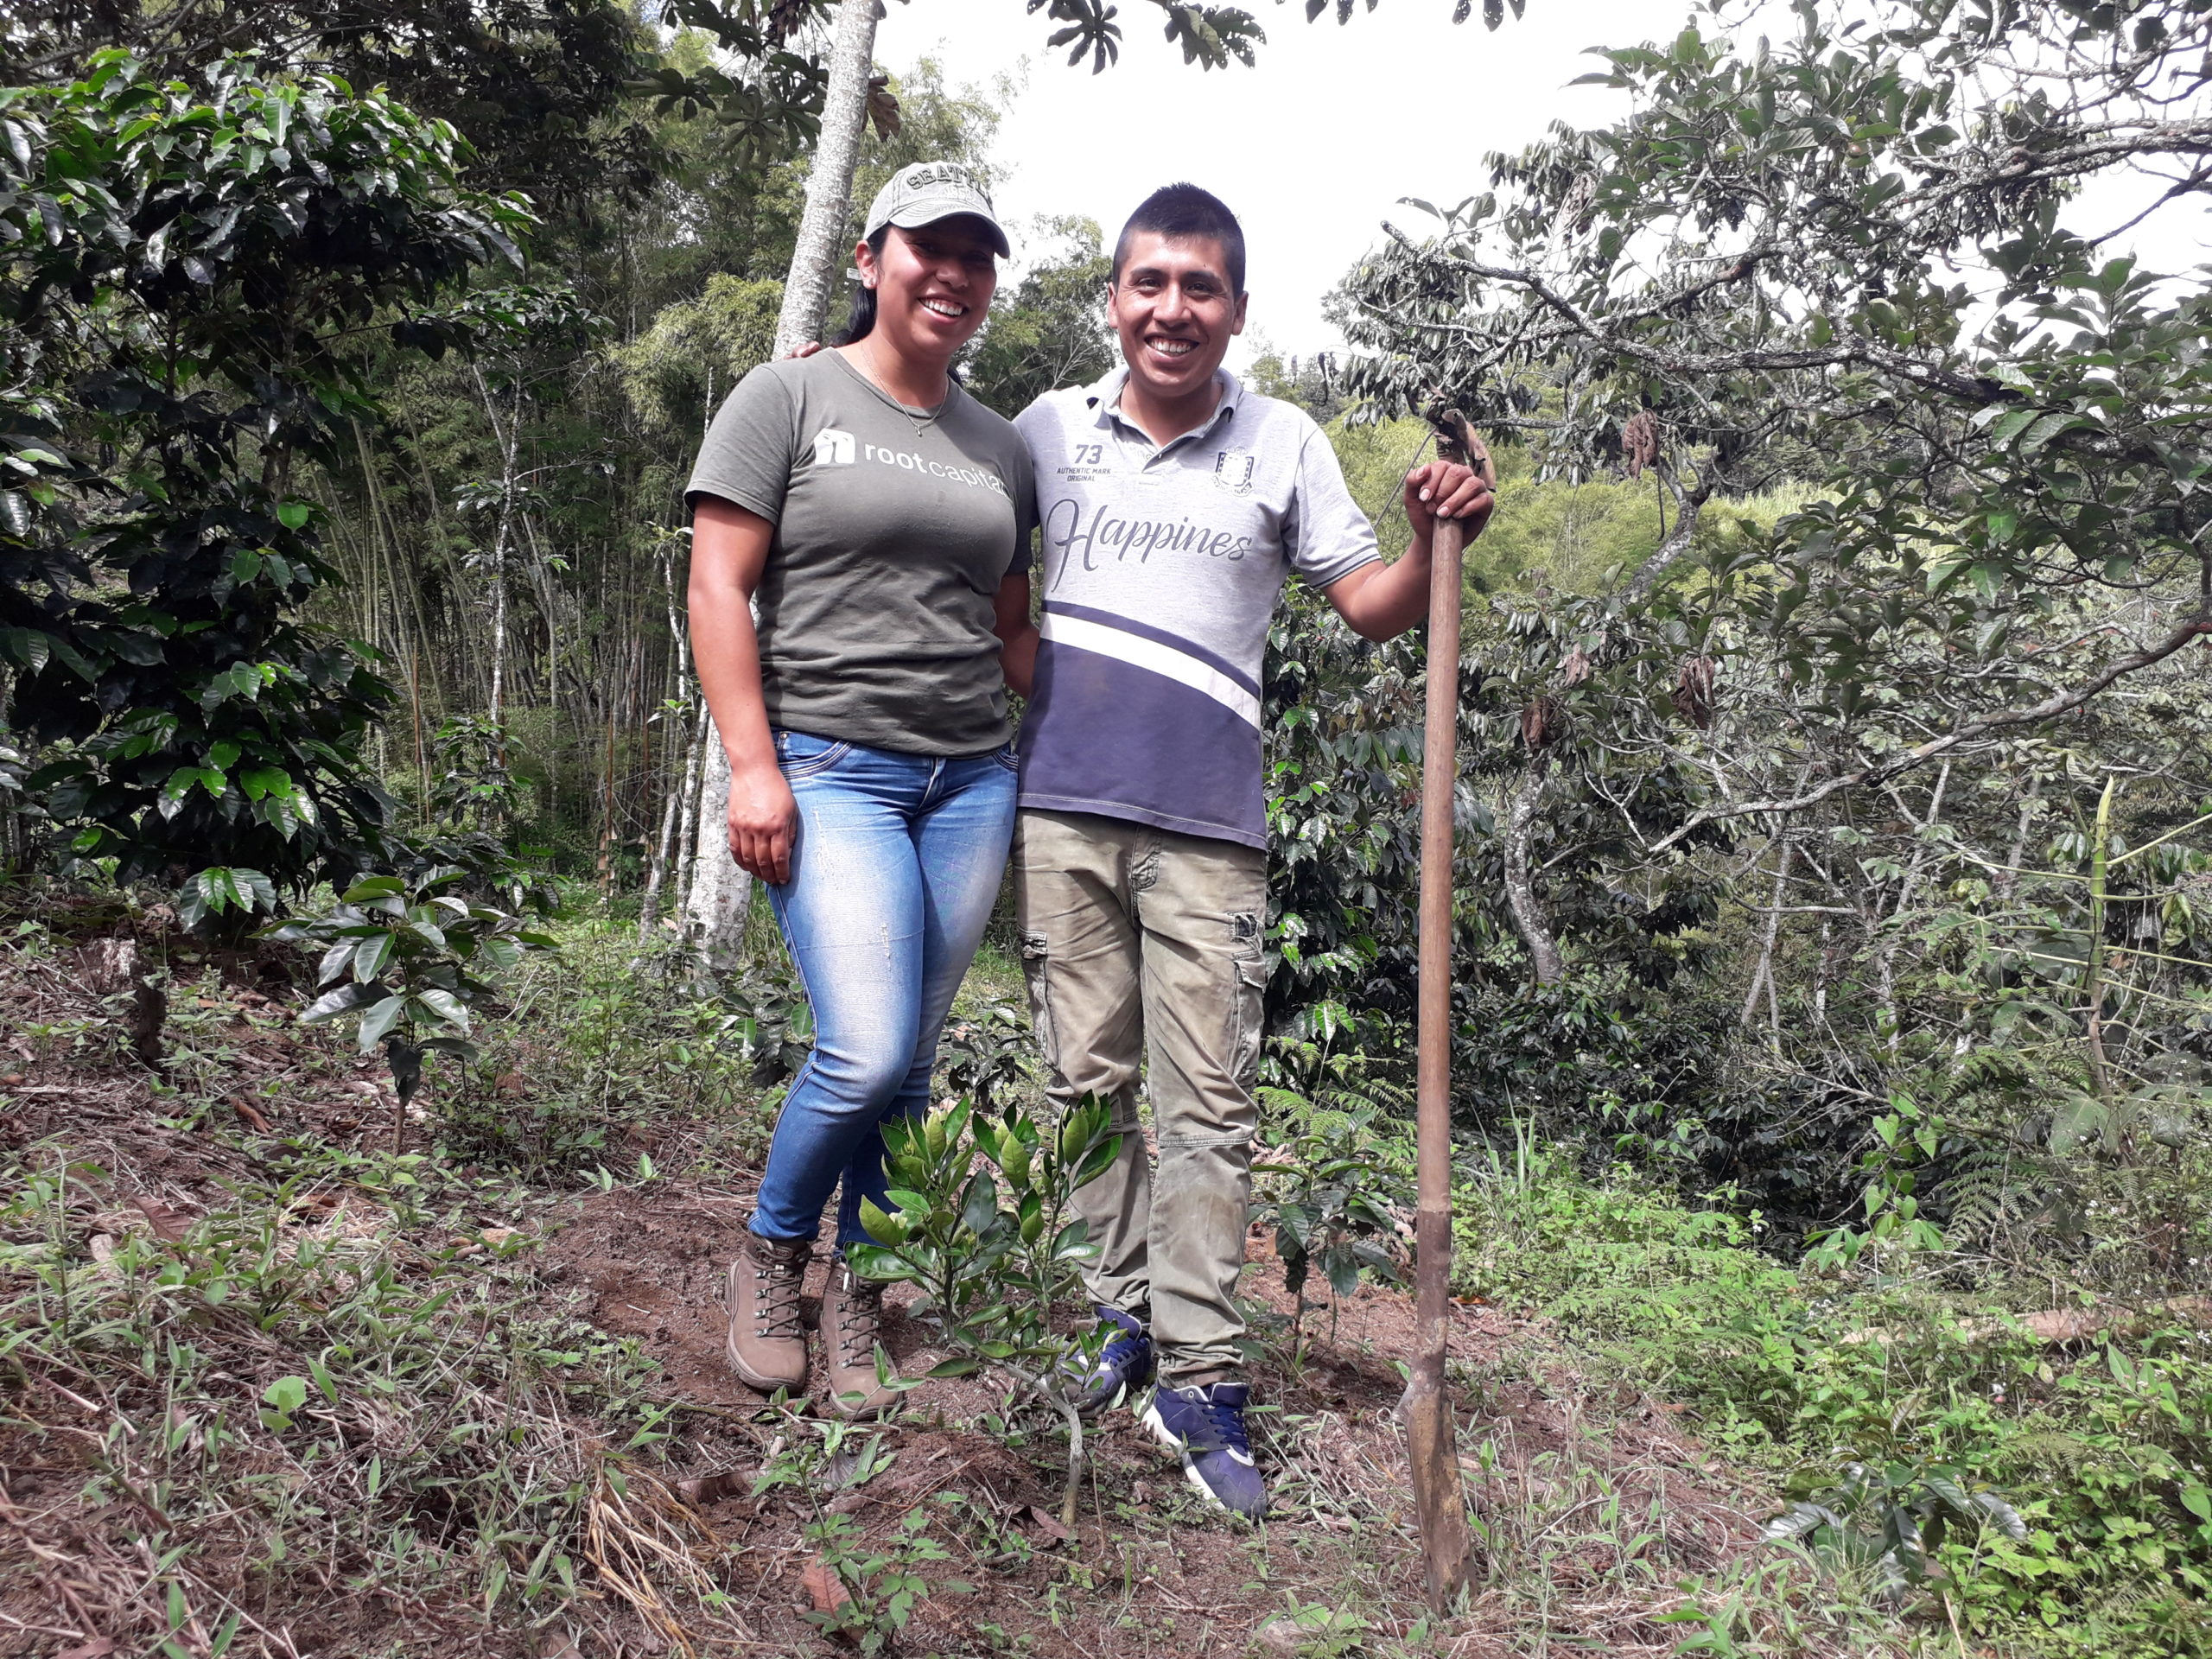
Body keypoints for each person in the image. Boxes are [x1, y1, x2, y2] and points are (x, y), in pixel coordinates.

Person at [998, 183, 1493, 1516]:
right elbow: (940, 488)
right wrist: (827, 377)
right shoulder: (1044, 433)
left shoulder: (1282, 441)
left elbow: (1375, 610)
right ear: (1114, 301)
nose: (1172, 310)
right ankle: (1120, 1315)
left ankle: (1201, 1373)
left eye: (1199, 288)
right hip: (1063, 813)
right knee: (1084, 1083)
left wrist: (1434, 531)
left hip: (1211, 828)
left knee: (1207, 1105)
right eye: (1149, 284)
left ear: (1235, 309)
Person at [686, 162, 1037, 1417]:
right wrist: (753, 767)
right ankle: (771, 1257)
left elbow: (1010, 628)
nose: (952, 274)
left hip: (971, 780)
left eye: (976, 255)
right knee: (866, 1044)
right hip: (833, 766)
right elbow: (718, 587)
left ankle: (865, 1297)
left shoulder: (1001, 443)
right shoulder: (787, 395)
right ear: (872, 258)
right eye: (928, 247)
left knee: (917, 1064)